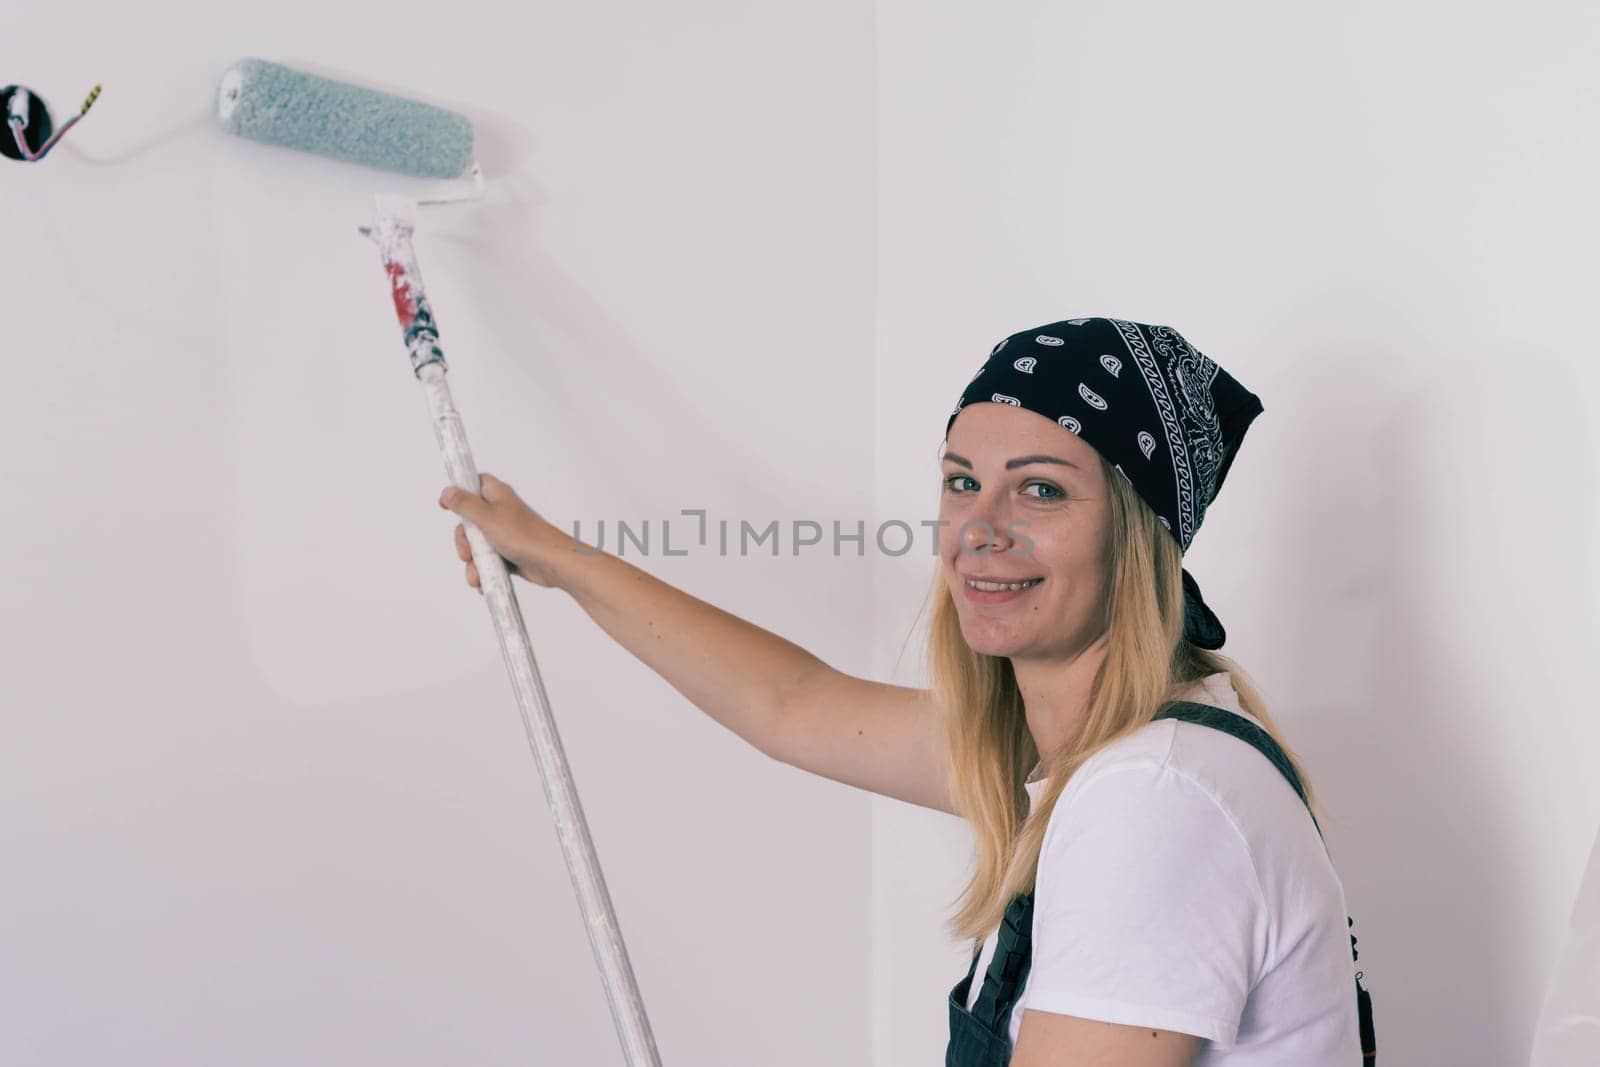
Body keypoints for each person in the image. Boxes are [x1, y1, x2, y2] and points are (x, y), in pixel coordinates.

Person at [438, 316, 1364, 1066]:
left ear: (1137, 535)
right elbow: (791, 703)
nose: (978, 529)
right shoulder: (1102, 753)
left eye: (1040, 491)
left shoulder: (1154, 798)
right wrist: (559, 558)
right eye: (962, 483)